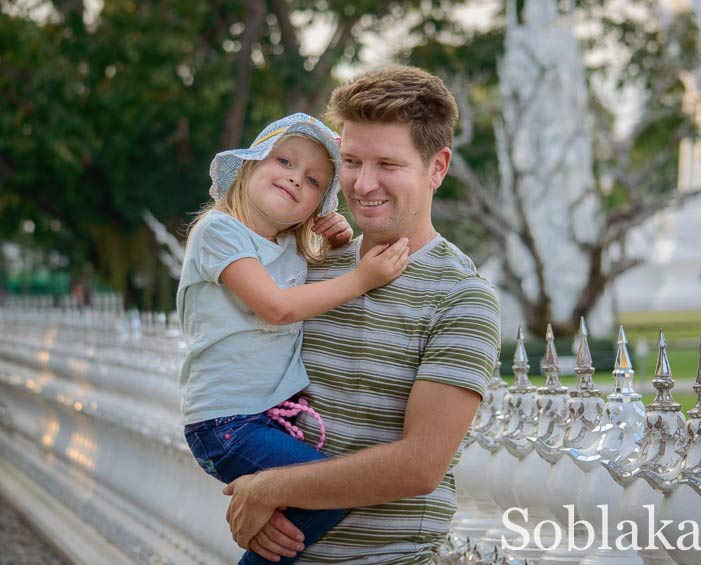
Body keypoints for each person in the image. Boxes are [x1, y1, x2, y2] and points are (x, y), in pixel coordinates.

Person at [223, 66, 501, 563]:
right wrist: (255, 493)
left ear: (437, 168)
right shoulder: (309, 267)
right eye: (350, 160)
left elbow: (419, 466)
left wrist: (269, 489)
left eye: (388, 164)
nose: (363, 183)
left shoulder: (461, 297)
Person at [177, 113, 410, 564]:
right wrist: (363, 277)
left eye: (312, 181)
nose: (294, 178)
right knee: (333, 486)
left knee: (307, 504)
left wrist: (341, 240)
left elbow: (316, 282)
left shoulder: (290, 248)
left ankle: (264, 531)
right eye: (283, 160)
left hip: (262, 419)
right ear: (249, 166)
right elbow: (279, 306)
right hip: (225, 423)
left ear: (316, 207)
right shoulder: (219, 232)